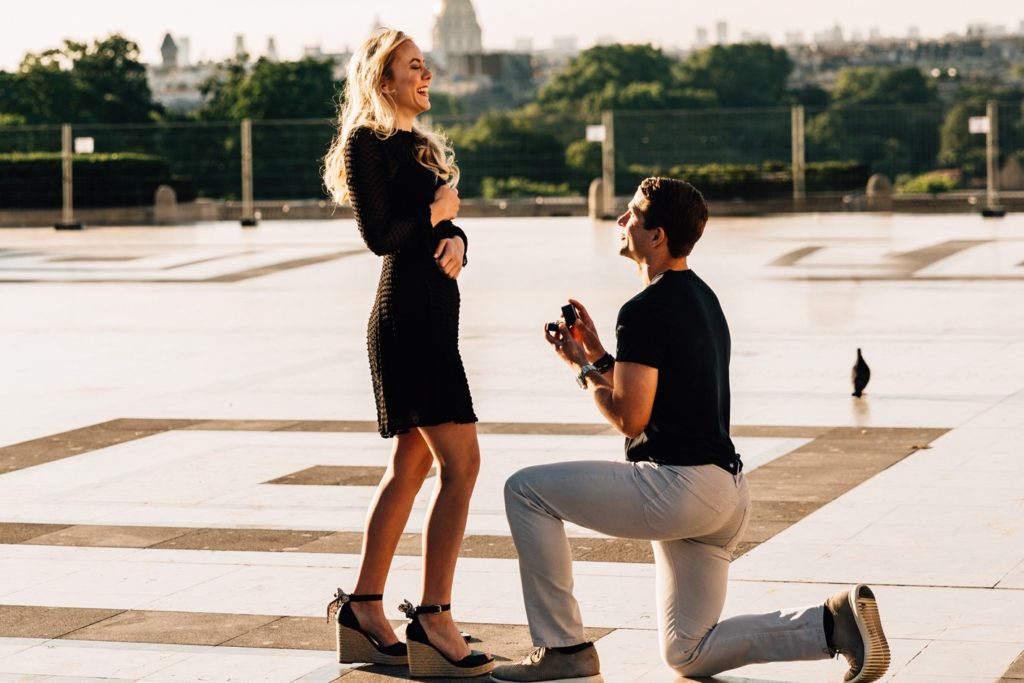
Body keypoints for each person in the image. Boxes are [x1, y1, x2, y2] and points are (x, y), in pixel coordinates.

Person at [490, 177, 890, 683]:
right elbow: (657, 392)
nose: (621, 220)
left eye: (632, 214)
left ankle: (564, 648)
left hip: (678, 489)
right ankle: (833, 626)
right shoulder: (703, 297)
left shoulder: (643, 310)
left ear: (656, 236)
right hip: (725, 494)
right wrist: (595, 353)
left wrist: (580, 370)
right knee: (688, 653)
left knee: (524, 491)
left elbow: (631, 418)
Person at [321, 28, 494, 679]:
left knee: (412, 466)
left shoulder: (419, 146)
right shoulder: (366, 143)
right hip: (407, 324)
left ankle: (364, 606)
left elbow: (438, 223)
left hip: (432, 318)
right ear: (384, 79)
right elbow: (382, 235)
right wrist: (438, 217)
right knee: (464, 461)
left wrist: (459, 240)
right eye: (414, 67)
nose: (428, 75)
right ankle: (432, 614)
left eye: (426, 66)